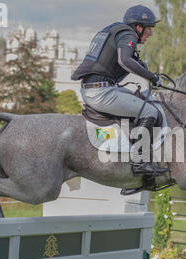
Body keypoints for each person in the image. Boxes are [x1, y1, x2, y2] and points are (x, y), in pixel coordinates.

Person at [72, 5, 168, 177]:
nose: (150, 34)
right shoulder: (127, 34)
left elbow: (125, 61)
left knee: (141, 100)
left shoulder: (115, 31)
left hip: (98, 88)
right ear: (139, 27)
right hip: (101, 92)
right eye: (149, 28)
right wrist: (152, 77)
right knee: (150, 111)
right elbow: (124, 61)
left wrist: (144, 69)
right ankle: (140, 162)